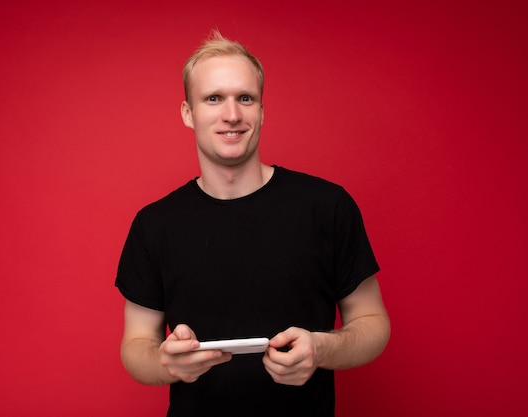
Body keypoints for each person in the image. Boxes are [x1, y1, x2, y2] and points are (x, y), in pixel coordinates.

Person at [115, 29, 390, 417]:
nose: (232, 114)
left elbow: (373, 323)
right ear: (187, 113)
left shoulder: (327, 206)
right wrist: (167, 362)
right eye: (213, 99)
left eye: (245, 98)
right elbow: (135, 346)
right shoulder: (154, 224)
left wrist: (321, 348)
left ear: (262, 110)